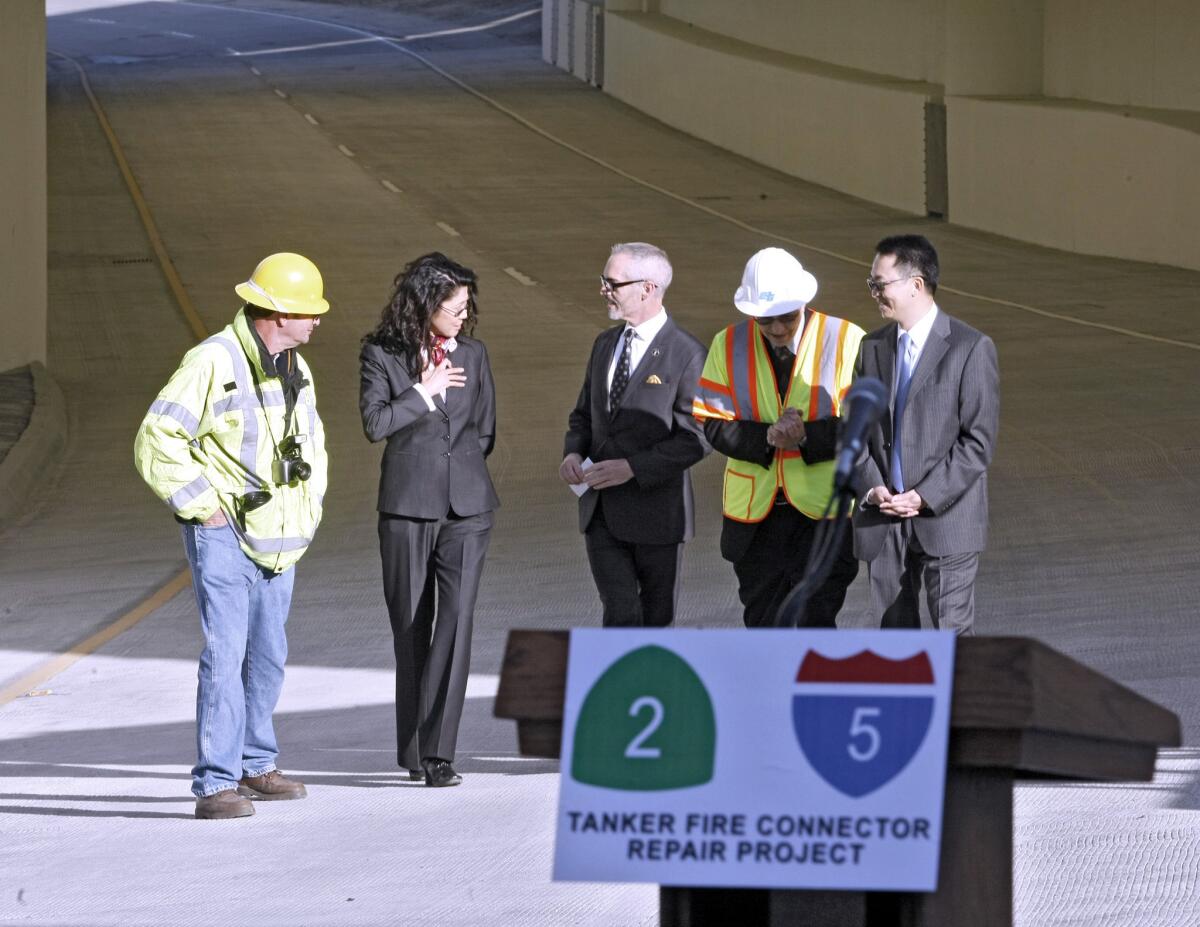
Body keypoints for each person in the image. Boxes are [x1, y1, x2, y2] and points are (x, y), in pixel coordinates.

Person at [134, 252, 329, 819]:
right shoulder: (212, 362)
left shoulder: (295, 366)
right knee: (227, 656)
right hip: (224, 537)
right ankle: (215, 783)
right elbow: (157, 437)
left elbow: (311, 446)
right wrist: (202, 507)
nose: (316, 321)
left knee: (267, 656)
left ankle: (256, 765)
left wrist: (309, 510)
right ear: (273, 311)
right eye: (306, 312)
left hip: (280, 541)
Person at [359, 252, 498, 788]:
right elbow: (376, 423)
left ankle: (440, 752)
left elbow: (484, 431)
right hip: (406, 507)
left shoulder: (476, 354)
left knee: (456, 621)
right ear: (424, 305)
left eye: (468, 306)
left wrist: (457, 474)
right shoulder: (382, 354)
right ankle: (415, 749)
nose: (464, 316)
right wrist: (423, 392)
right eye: (454, 307)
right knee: (411, 627)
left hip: (468, 507)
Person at [693, 247, 864, 628]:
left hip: (823, 516)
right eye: (765, 320)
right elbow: (712, 422)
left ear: (804, 302)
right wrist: (769, 438)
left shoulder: (847, 339)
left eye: (786, 318)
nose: (777, 329)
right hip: (756, 520)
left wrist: (806, 437)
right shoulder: (728, 343)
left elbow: (866, 426)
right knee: (763, 627)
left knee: (816, 626)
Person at [852, 234, 1000, 635]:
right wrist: (871, 488)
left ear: (916, 284)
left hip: (947, 519)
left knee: (949, 636)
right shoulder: (871, 348)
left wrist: (924, 495)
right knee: (893, 641)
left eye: (879, 284)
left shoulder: (969, 348)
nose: (874, 294)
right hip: (885, 521)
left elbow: (977, 442)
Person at [560, 242, 708, 627]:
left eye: (613, 282)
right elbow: (582, 416)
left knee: (655, 619)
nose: (604, 290)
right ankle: (621, 686)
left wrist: (634, 468)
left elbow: (696, 436)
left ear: (648, 288)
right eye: (604, 280)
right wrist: (572, 453)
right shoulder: (605, 344)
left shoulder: (687, 353)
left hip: (657, 514)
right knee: (620, 612)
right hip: (601, 512)